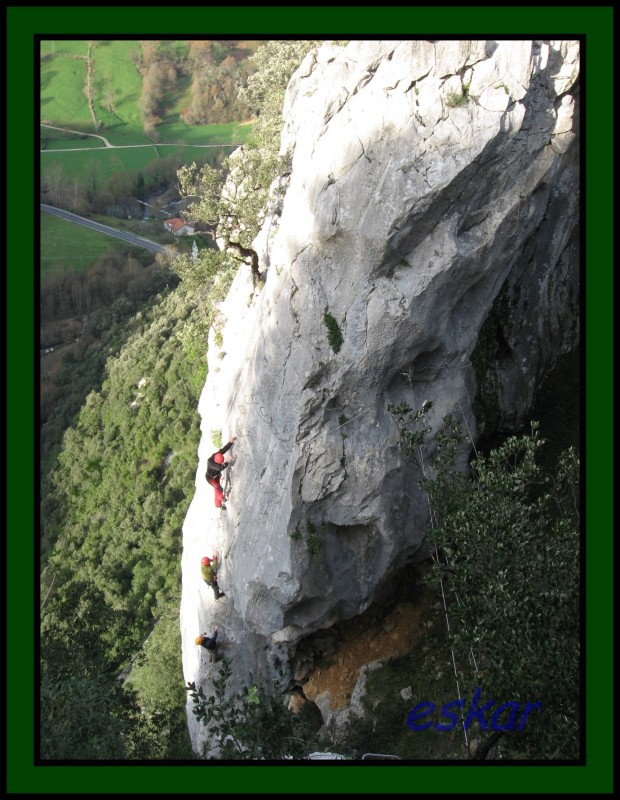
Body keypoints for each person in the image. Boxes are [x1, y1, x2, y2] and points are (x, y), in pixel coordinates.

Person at [206, 436, 237, 510]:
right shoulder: (211, 463)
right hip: (210, 478)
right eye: (219, 463)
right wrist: (228, 461)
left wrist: (230, 442)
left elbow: (223, 450)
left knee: (217, 489)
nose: (220, 464)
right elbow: (220, 468)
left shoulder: (216, 455)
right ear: (216, 462)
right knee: (218, 488)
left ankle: (218, 504)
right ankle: (221, 499)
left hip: (216, 476)